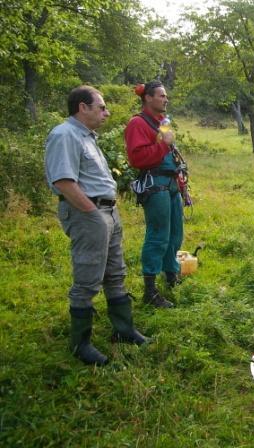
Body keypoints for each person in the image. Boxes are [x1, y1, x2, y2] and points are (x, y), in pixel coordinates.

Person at [45, 85, 147, 366]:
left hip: (107, 212)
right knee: (88, 278)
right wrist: (92, 213)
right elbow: (63, 182)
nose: (106, 112)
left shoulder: (87, 137)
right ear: (82, 107)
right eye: (101, 107)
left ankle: (123, 330)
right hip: (89, 214)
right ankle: (81, 344)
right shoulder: (64, 135)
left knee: (115, 273)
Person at [124, 81, 187, 308]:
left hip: (170, 183)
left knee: (175, 234)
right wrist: (162, 144)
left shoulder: (163, 122)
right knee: (158, 235)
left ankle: (171, 276)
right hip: (155, 184)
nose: (165, 99)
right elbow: (137, 158)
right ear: (148, 98)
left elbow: (169, 150)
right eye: (161, 95)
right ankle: (150, 291)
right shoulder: (137, 124)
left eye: (165, 95)